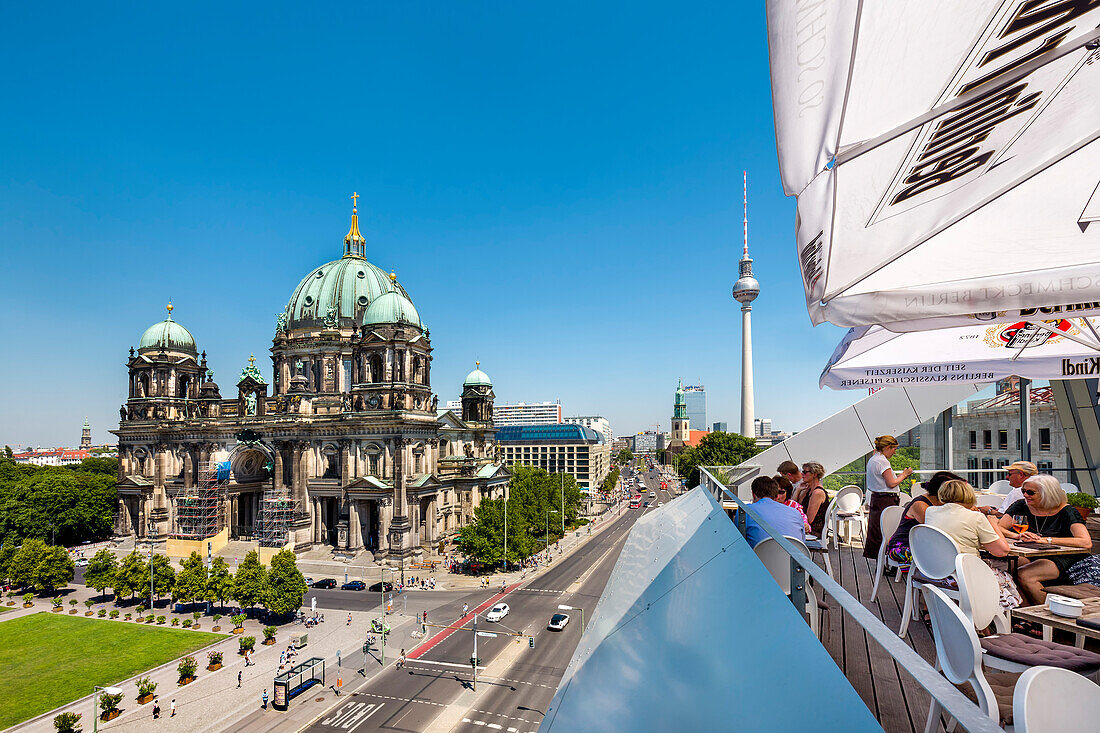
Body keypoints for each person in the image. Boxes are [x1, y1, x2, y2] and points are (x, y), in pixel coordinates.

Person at [997, 474, 1093, 605]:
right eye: (1023, 491)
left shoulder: (1066, 511)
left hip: (1064, 557)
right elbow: (999, 527)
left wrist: (1047, 540)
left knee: (1025, 574)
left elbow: (1085, 542)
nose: (1025, 495)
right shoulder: (1021, 506)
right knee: (1006, 567)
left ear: (1047, 493)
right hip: (1033, 553)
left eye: (1030, 492)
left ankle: (1044, 616)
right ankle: (1022, 615)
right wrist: (1017, 535)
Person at [925, 479, 1019, 609]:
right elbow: (1002, 551)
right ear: (969, 495)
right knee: (1008, 574)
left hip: (935, 570)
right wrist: (993, 523)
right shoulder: (975, 517)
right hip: (964, 574)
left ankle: (979, 620)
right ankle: (1012, 616)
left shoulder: (930, 512)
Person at [884, 471, 957, 565]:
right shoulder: (920, 505)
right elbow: (933, 529)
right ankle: (929, 578)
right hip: (902, 546)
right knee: (943, 555)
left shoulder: (940, 503)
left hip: (922, 545)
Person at [863, 436, 914, 559]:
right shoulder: (883, 462)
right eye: (894, 449)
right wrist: (904, 475)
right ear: (887, 448)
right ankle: (887, 558)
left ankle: (880, 559)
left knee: (877, 530)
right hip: (886, 500)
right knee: (888, 531)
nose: (895, 452)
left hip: (877, 498)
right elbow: (891, 483)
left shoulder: (873, 460)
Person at [743, 475, 806, 548]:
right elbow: (802, 541)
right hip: (793, 558)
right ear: (776, 496)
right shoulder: (795, 512)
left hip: (759, 557)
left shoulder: (745, 510)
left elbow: (738, 541)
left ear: (753, 495)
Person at [795, 462, 829, 537]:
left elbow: (809, 520)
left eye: (804, 472)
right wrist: (798, 490)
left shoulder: (817, 493)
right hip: (806, 526)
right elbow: (796, 506)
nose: (802, 475)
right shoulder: (809, 489)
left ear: (814, 474)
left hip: (813, 531)